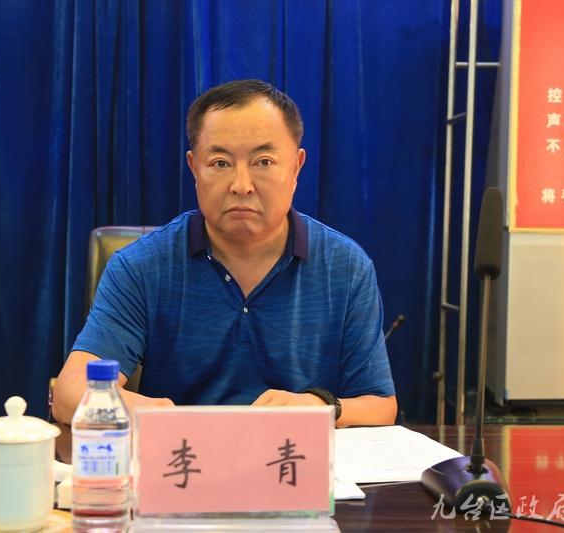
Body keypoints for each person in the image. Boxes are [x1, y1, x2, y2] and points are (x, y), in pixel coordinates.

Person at [52, 79, 396, 427]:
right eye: (220, 163)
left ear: (296, 167)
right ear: (194, 168)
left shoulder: (345, 266)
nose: (241, 185)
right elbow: (69, 394)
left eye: (264, 161)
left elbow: (380, 405)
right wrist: (164, 417)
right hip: (182, 453)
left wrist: (321, 406)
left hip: (293, 455)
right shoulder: (141, 266)